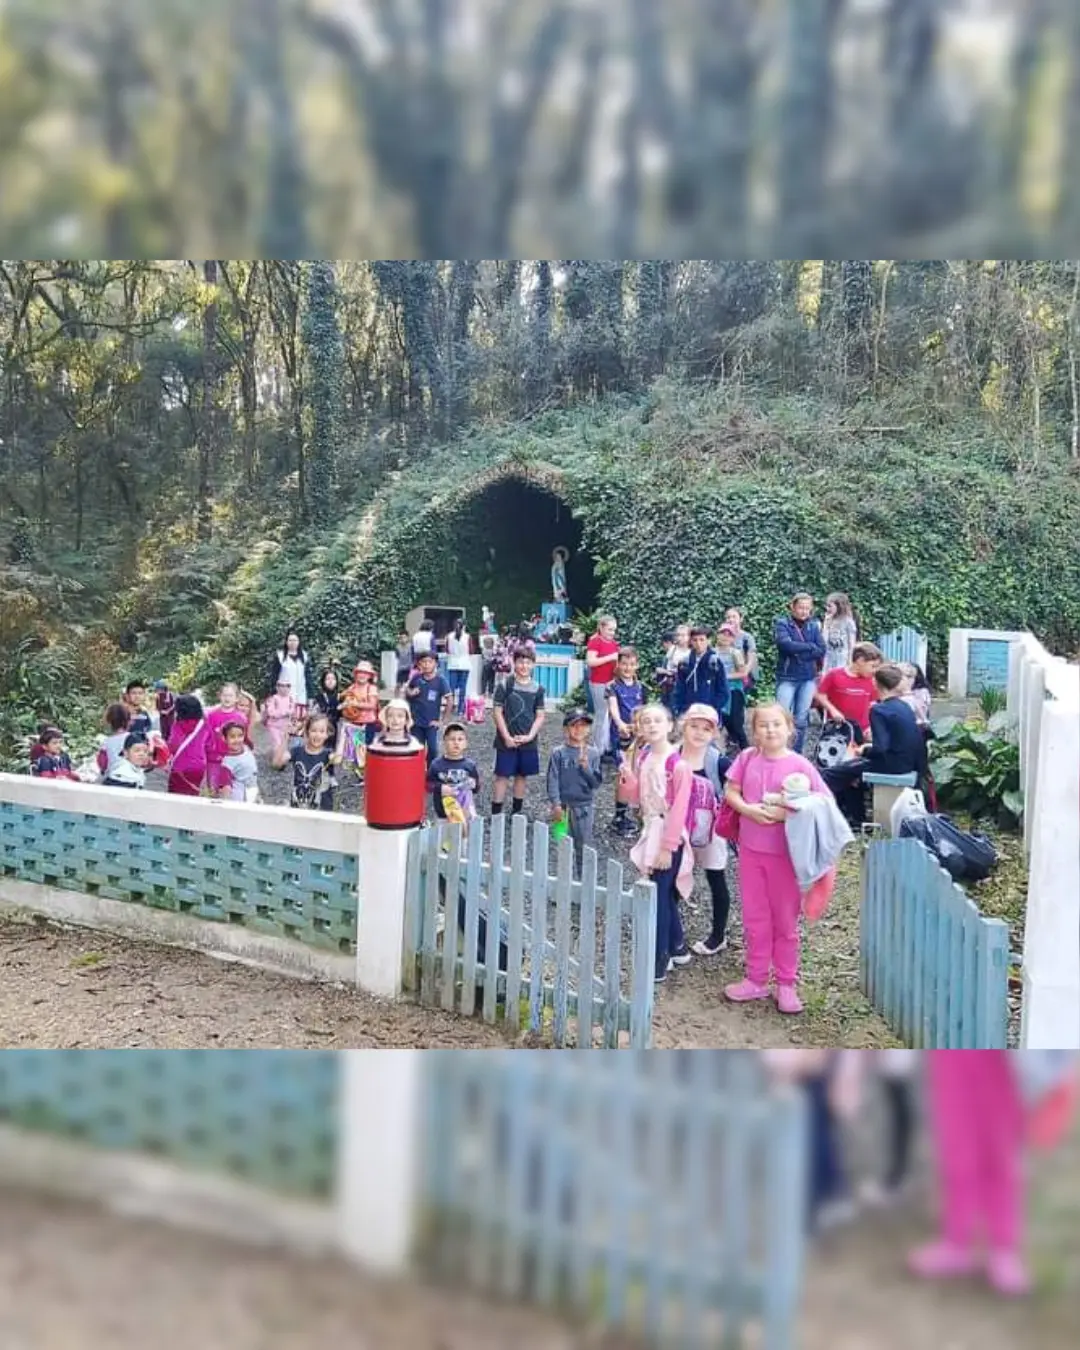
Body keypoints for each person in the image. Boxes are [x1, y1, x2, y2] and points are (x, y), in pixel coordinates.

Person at [907, 1051, 1078, 1296]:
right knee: (956, 1143)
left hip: (1004, 1051)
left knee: (1000, 1147)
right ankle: (957, 1241)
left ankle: (1003, 1247)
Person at [722, 703, 831, 1013]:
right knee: (755, 917)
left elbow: (822, 803)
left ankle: (786, 983)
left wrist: (786, 813)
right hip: (750, 851)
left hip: (786, 856)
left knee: (785, 920)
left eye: (776, 724)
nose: (770, 730)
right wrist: (747, 809)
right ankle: (756, 978)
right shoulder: (746, 758)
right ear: (754, 731)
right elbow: (731, 791)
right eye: (763, 725)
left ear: (789, 729)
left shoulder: (800, 766)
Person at [618, 703, 695, 983]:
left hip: (667, 834)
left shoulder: (678, 764)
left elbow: (679, 809)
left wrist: (667, 846)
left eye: (657, 721)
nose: (651, 726)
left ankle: (659, 958)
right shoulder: (645, 757)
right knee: (663, 891)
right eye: (646, 721)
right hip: (651, 827)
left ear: (670, 725)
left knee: (660, 895)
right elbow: (637, 797)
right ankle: (677, 946)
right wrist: (628, 780)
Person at [821, 664, 927, 827]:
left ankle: (846, 817)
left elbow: (880, 748)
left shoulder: (879, 710)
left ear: (875, 683)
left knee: (835, 773)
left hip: (891, 764)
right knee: (851, 771)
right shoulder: (904, 706)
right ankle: (855, 818)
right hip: (908, 762)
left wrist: (864, 749)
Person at [678, 704, 734, 957]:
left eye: (706, 728)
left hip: (711, 829)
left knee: (716, 879)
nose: (699, 733)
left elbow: (737, 788)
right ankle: (671, 932)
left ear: (714, 733)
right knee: (674, 879)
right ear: (683, 726)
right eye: (694, 726)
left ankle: (718, 935)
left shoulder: (719, 762)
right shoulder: (673, 756)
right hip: (679, 828)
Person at [547, 709, 604, 869]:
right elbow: (553, 779)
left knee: (584, 846)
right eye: (574, 725)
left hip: (584, 807)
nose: (578, 729)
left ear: (589, 729)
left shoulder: (593, 753)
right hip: (562, 807)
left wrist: (586, 767)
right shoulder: (558, 753)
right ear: (566, 729)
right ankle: (563, 880)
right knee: (561, 844)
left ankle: (582, 880)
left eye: (583, 726)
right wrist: (556, 804)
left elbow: (596, 783)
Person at [491, 648, 546, 817]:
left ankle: (516, 812)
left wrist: (530, 736)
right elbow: (497, 711)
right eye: (520, 661)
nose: (524, 665)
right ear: (514, 663)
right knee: (502, 776)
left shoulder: (538, 689)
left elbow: (540, 715)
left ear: (533, 664)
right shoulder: (505, 685)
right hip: (505, 739)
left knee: (522, 776)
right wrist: (506, 736)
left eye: (528, 662)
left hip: (528, 740)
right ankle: (496, 813)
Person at [774, 594, 826, 754]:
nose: (804, 611)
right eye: (801, 607)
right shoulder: (782, 624)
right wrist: (810, 647)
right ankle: (779, 749)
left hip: (808, 678)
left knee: (801, 719)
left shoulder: (813, 626)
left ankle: (796, 752)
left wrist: (803, 650)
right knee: (781, 716)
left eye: (807, 608)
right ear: (793, 607)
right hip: (787, 677)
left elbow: (822, 649)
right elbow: (785, 645)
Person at [607, 646, 645, 837]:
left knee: (637, 773)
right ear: (618, 665)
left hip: (638, 736)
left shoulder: (640, 687)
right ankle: (619, 817)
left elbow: (643, 710)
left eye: (631, 664)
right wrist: (620, 723)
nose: (628, 668)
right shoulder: (612, 686)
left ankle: (635, 813)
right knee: (623, 774)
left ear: (636, 665)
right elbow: (613, 708)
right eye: (624, 663)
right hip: (620, 736)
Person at [813, 642, 882, 744]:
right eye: (873, 666)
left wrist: (872, 727)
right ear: (860, 661)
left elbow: (872, 703)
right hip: (837, 728)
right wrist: (832, 710)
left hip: (862, 731)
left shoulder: (872, 680)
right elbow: (819, 694)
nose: (875, 671)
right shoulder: (834, 675)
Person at [271, 711, 338, 811]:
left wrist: (344, 736)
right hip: (298, 805)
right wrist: (285, 739)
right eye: (313, 730)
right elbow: (276, 764)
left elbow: (338, 759)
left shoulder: (328, 755)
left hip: (322, 808)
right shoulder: (296, 751)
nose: (317, 735)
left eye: (322, 731)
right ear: (307, 732)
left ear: (327, 735)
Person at [427, 722, 481, 825]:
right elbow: (428, 785)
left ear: (466, 743)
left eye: (460, 739)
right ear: (444, 742)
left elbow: (477, 787)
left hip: (464, 813)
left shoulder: (470, 765)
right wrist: (440, 788)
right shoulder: (436, 764)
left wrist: (473, 784)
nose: (456, 743)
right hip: (443, 813)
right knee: (444, 839)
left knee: (463, 839)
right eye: (452, 739)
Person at [673, 627, 729, 724]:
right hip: (689, 710)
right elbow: (679, 688)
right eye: (695, 640)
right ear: (691, 641)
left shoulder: (715, 661)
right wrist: (680, 708)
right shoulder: (684, 663)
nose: (698, 643)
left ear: (709, 641)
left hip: (709, 711)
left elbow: (723, 690)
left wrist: (714, 707)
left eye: (702, 640)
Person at [405, 650, 452, 763]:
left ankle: (431, 772)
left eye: (429, 662)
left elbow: (450, 699)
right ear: (419, 664)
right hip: (415, 721)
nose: (426, 665)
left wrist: (443, 721)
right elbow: (407, 691)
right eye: (423, 662)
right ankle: (416, 772)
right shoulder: (416, 678)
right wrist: (410, 693)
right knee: (416, 748)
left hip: (431, 722)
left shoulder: (441, 681)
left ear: (435, 663)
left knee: (433, 749)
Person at [205, 683, 251, 796]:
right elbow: (206, 737)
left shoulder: (241, 717)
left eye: (230, 695)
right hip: (214, 760)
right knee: (213, 791)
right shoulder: (211, 716)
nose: (227, 698)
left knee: (233, 791)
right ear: (220, 696)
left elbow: (244, 740)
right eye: (224, 695)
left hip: (233, 760)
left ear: (236, 698)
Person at [337, 660, 381, 774]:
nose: (362, 675)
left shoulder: (371, 688)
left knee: (367, 750)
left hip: (367, 724)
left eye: (365, 673)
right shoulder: (352, 687)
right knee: (356, 750)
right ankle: (361, 774)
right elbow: (344, 697)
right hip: (354, 724)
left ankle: (371, 774)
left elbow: (372, 705)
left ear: (369, 676)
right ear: (356, 674)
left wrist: (355, 704)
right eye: (360, 672)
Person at [584, 616, 620, 754]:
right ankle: (597, 749)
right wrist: (610, 658)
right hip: (598, 683)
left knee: (611, 715)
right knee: (601, 715)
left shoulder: (614, 644)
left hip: (611, 682)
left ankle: (607, 745)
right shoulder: (595, 642)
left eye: (614, 630)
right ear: (601, 628)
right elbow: (591, 662)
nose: (612, 633)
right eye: (610, 629)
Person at [714, 623, 749, 749]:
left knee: (736, 723)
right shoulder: (712, 653)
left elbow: (743, 672)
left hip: (734, 691)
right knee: (719, 722)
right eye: (723, 633)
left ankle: (746, 750)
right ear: (717, 635)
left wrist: (724, 676)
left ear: (733, 638)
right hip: (717, 692)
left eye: (729, 635)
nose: (725, 637)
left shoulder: (735, 653)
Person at [166, 695, 208, 796]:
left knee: (177, 799)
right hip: (199, 766)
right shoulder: (204, 724)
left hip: (180, 768)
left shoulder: (178, 725)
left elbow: (173, 745)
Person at [269, 629, 312, 719]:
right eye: (290, 640)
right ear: (286, 642)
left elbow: (308, 678)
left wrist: (311, 695)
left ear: (299, 642)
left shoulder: (304, 656)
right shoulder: (280, 656)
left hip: (301, 695)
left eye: (295, 640)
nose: (293, 643)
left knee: (299, 724)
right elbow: (274, 676)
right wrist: (272, 693)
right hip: (284, 695)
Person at [217, 721, 260, 802]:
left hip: (253, 791)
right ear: (224, 738)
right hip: (239, 798)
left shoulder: (246, 747)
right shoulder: (227, 764)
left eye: (240, 736)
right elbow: (226, 788)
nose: (237, 740)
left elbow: (253, 723)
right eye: (232, 737)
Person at [822, 593, 858, 672]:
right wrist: (826, 625)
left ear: (839, 606)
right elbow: (824, 641)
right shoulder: (829, 620)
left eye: (830, 606)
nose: (827, 609)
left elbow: (851, 643)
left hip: (842, 660)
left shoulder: (848, 621)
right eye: (827, 606)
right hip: (829, 659)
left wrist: (850, 661)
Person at [97, 702, 132, 777]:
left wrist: (103, 771)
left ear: (109, 722)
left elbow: (103, 764)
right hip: (132, 777)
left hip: (113, 777)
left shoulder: (106, 742)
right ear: (129, 721)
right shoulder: (134, 738)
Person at [446, 618, 472, 717]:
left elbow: (447, 650)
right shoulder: (467, 637)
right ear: (464, 626)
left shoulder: (449, 636)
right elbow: (471, 651)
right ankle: (461, 709)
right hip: (464, 664)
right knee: (463, 687)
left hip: (452, 664)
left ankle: (450, 706)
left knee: (451, 687)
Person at [311, 667, 341, 741]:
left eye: (333, 679)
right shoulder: (318, 698)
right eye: (327, 679)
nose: (330, 681)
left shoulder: (341, 697)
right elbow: (313, 716)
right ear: (323, 681)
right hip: (321, 733)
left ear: (337, 681)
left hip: (338, 734)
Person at [899, 662, 932, 727]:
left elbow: (921, 708)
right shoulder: (897, 693)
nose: (909, 680)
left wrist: (924, 720)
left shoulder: (920, 692)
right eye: (907, 677)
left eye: (911, 677)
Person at [479, 630, 498, 700]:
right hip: (492, 665)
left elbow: (482, 657)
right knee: (491, 679)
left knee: (484, 679)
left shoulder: (484, 650)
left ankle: (483, 693)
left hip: (486, 665)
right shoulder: (493, 650)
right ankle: (490, 693)